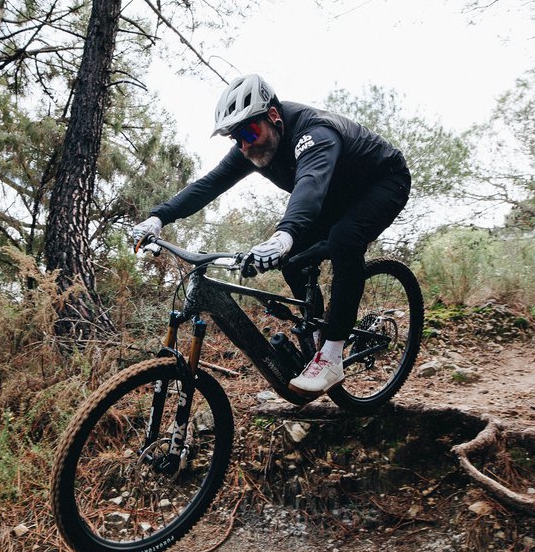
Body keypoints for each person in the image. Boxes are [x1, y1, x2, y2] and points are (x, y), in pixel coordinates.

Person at [132, 74, 410, 396]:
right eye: (236, 138)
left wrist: (284, 234)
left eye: (249, 132)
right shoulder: (251, 144)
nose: (245, 145)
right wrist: (158, 217)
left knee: (345, 240)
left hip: (383, 182)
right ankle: (318, 335)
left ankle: (332, 355)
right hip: (334, 196)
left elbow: (310, 185)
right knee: (290, 261)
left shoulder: (315, 132)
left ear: (274, 116)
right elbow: (208, 185)